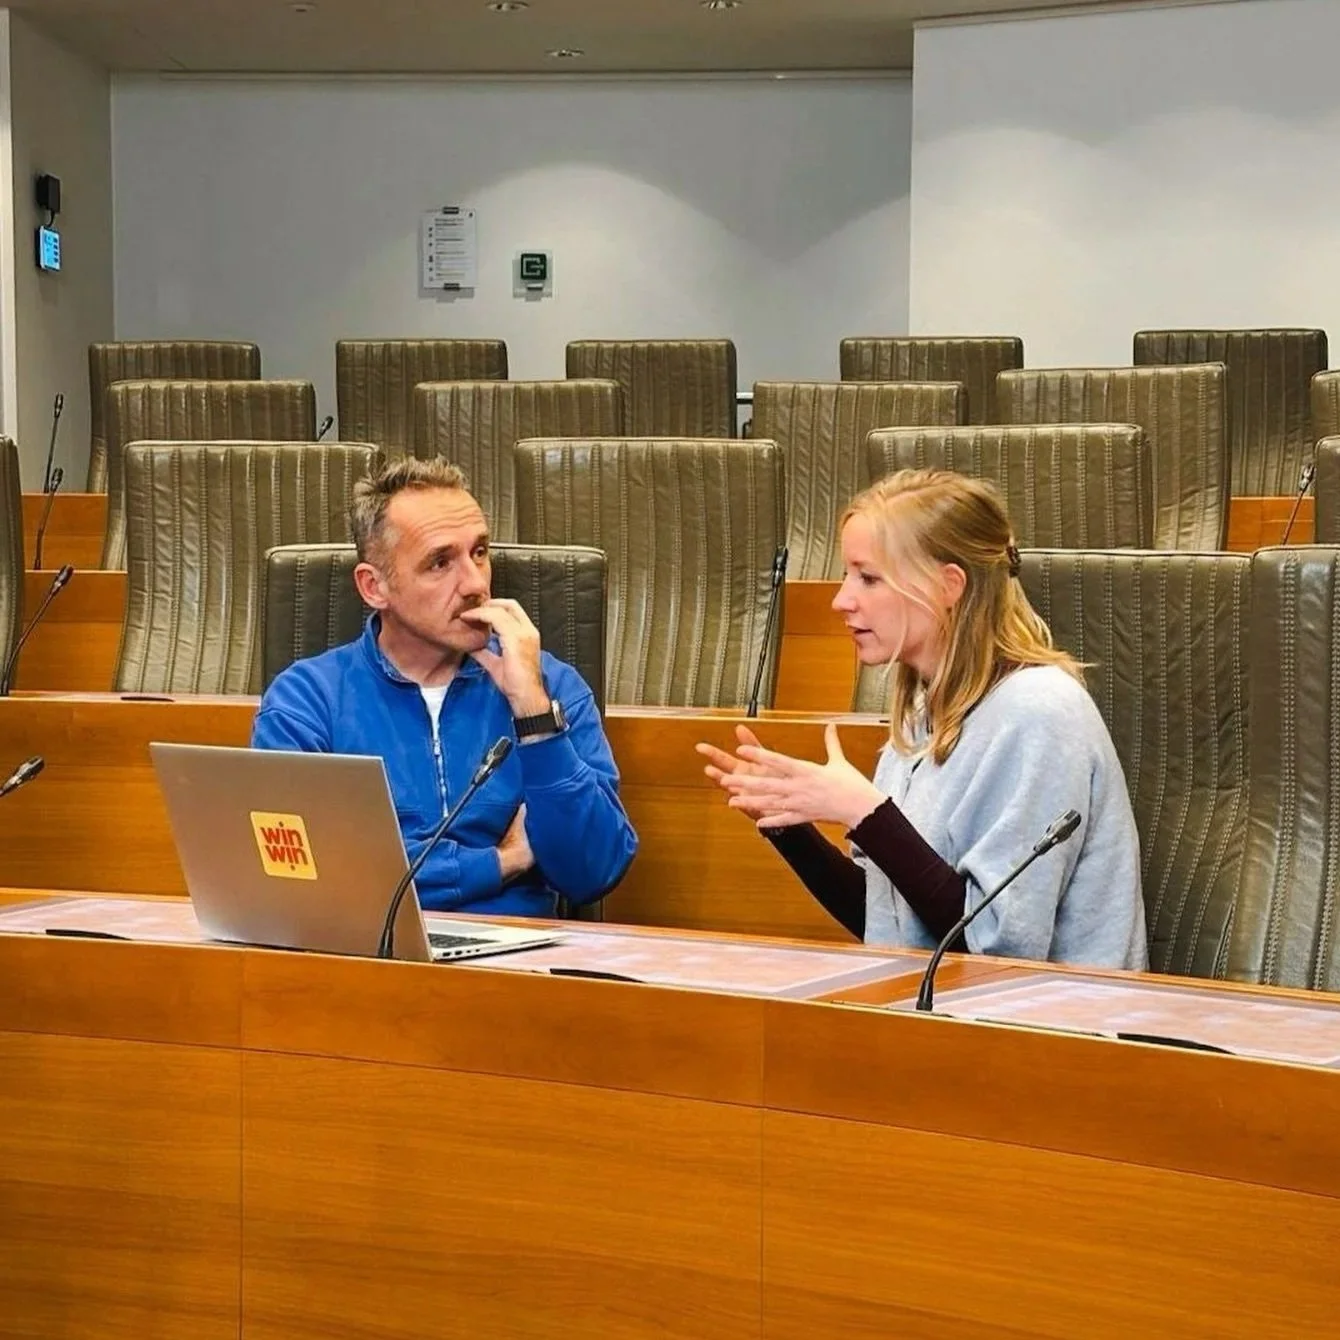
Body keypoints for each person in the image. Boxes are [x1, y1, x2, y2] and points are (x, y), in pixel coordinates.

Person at [698, 469, 1147, 970]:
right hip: (942, 1006)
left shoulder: (1040, 712)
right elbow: (891, 922)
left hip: (1053, 1014)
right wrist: (790, 827)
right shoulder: (922, 714)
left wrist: (867, 814)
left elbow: (996, 950)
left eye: (868, 578)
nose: (841, 600)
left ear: (948, 584)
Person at [253, 456, 637, 917]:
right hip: (366, 952)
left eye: (480, 552)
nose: (475, 583)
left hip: (518, 953)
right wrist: (504, 861)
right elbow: (311, 878)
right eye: (440, 562)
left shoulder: (552, 687)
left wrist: (534, 717)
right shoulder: (306, 701)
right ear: (374, 587)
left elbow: (594, 872)